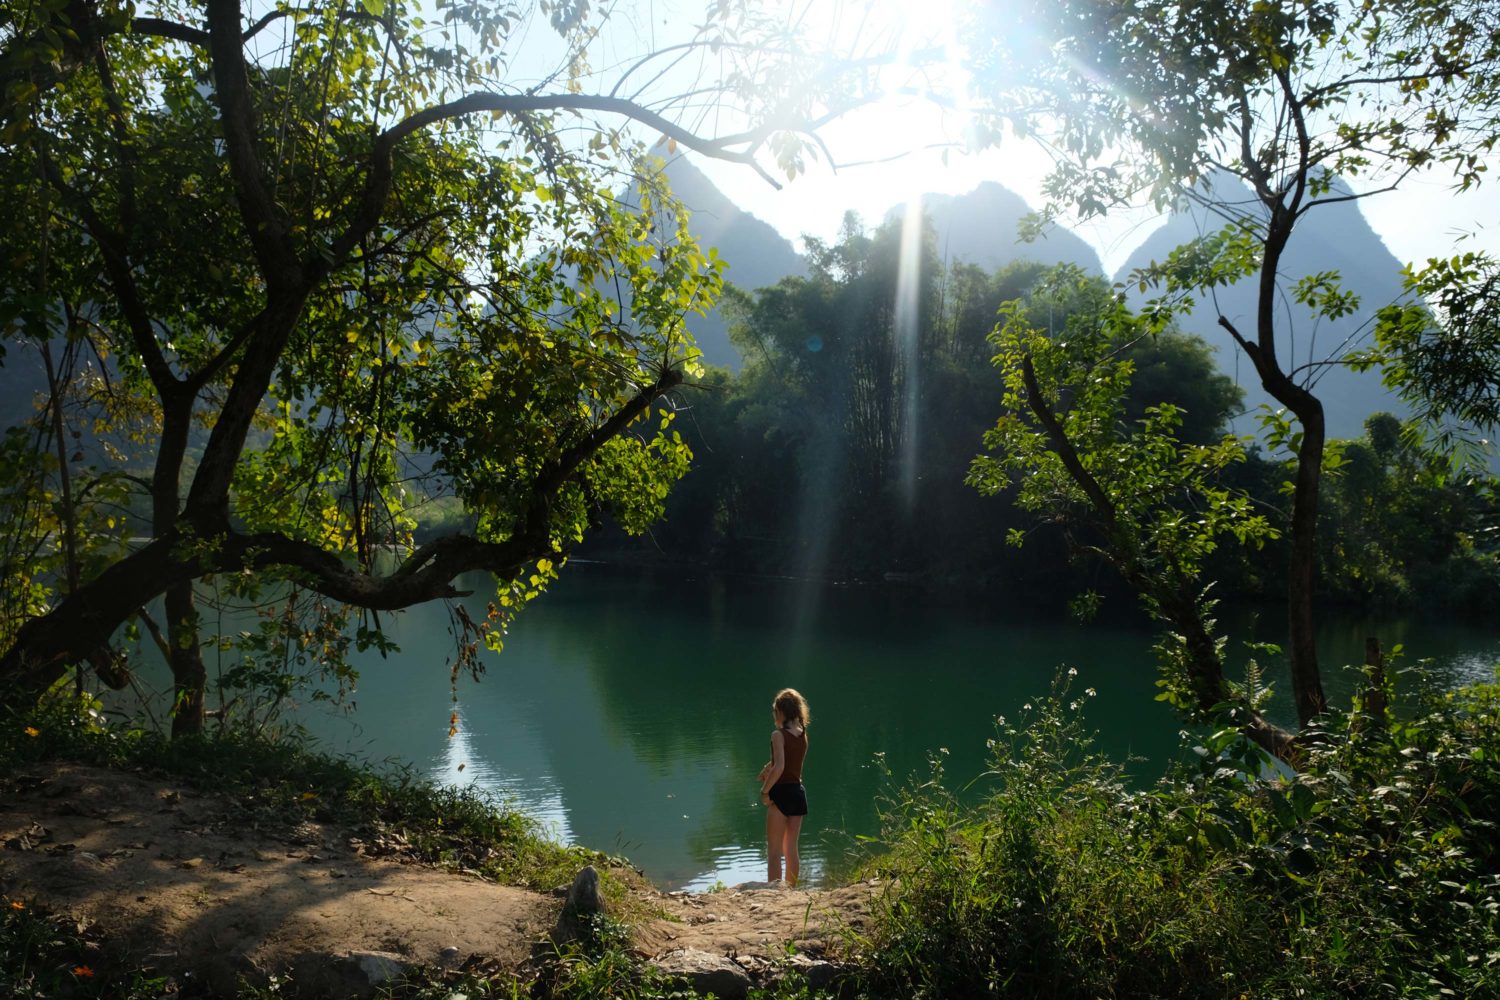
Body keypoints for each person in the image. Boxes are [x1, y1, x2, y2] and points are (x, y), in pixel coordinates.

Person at [757, 687, 810, 887]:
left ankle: (774, 892)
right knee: (791, 849)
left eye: (775, 711)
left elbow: (780, 767)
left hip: (780, 794)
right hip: (798, 793)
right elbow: (788, 760)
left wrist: (765, 792)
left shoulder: (777, 735)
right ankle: (791, 890)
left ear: (781, 711)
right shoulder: (802, 734)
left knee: (774, 852)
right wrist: (766, 767)